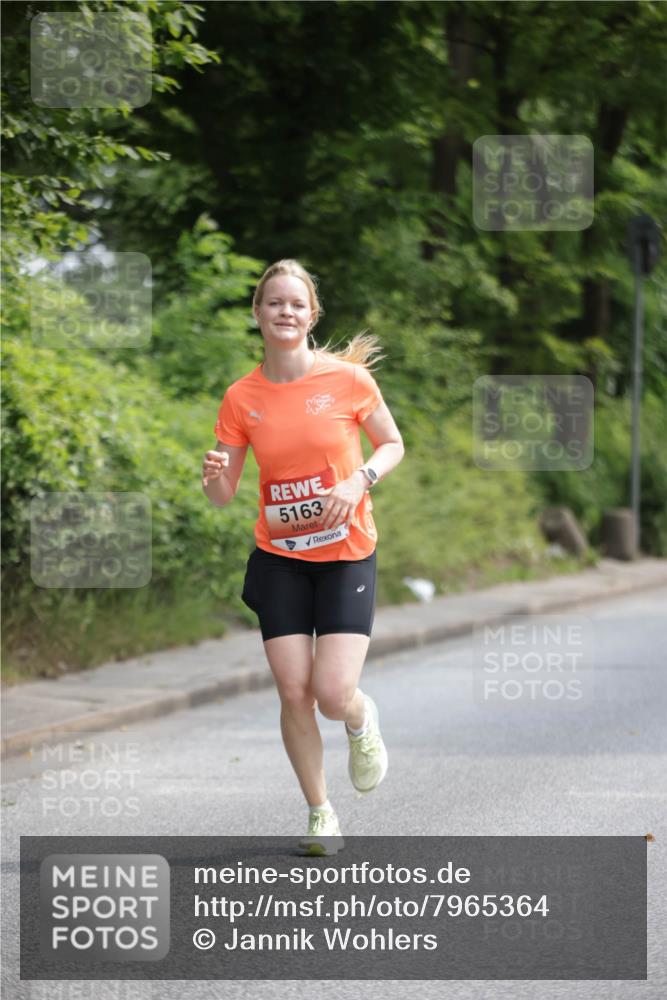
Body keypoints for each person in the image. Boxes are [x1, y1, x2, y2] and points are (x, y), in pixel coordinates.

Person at [202, 259, 404, 855]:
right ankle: (321, 814)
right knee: (295, 692)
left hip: (345, 553)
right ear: (257, 314)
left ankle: (361, 722)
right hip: (281, 556)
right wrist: (212, 476)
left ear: (311, 315)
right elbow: (222, 495)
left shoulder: (348, 381)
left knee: (333, 693)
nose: (284, 312)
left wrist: (358, 480)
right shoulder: (242, 396)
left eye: (296, 304)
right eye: (273, 303)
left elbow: (392, 444)